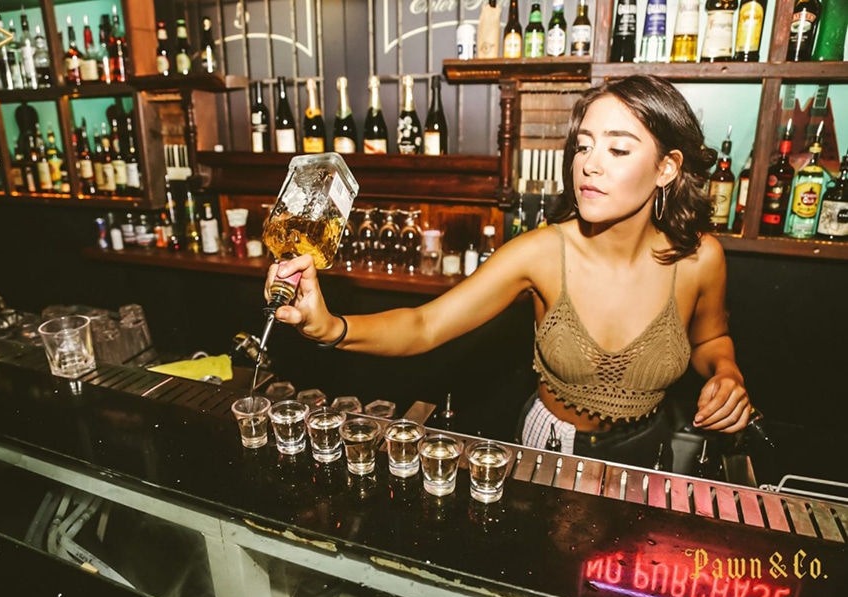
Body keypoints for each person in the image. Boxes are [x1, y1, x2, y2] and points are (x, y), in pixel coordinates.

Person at [264, 75, 752, 470]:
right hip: (553, 447)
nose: (589, 166)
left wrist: (726, 374)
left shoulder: (699, 257)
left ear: (667, 168)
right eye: (583, 147)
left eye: (617, 150)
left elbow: (711, 340)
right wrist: (329, 327)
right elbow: (425, 325)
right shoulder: (541, 252)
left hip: (650, 446)